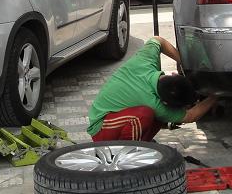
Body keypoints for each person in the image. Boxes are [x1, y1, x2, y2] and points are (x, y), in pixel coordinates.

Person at [87, 36, 219, 142]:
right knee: (144, 115)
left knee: (154, 116)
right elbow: (190, 116)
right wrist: (216, 95)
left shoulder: (147, 60)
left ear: (173, 74)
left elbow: (158, 40)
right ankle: (127, 155)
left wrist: (184, 63)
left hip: (119, 117)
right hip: (101, 128)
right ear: (165, 103)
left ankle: (142, 144)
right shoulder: (153, 104)